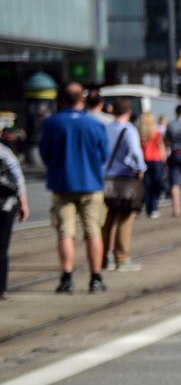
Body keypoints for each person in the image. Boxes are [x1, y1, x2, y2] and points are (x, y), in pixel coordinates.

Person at [40, 83, 110, 294]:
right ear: (83, 99)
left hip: (62, 185)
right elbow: (103, 156)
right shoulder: (94, 124)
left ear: (62, 100)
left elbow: (45, 155)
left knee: (64, 233)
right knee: (93, 232)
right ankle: (96, 278)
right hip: (91, 184)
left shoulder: (53, 123)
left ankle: (67, 278)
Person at [100, 100, 145, 273]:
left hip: (106, 178)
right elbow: (135, 151)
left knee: (107, 219)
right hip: (124, 179)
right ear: (128, 112)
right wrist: (141, 169)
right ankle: (122, 258)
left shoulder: (105, 128)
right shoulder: (129, 129)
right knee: (125, 218)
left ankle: (105, 257)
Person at [0, 138, 27, 300]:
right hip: (5, 205)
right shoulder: (4, 152)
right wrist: (23, 203)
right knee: (1, 248)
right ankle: (1, 289)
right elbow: (17, 178)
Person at [140, 112, 166, 218]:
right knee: (156, 184)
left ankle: (148, 207)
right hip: (156, 160)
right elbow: (161, 147)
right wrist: (164, 160)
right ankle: (154, 207)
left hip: (144, 160)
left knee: (147, 185)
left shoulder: (140, 133)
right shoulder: (157, 132)